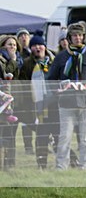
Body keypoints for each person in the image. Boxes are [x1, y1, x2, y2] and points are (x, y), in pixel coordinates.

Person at [46, 23, 86, 170]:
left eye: (80, 35)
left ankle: (85, 165)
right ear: (69, 38)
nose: (77, 38)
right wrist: (58, 92)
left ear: (83, 37)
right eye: (74, 35)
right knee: (65, 137)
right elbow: (50, 79)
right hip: (66, 103)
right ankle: (61, 166)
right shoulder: (61, 57)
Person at [18, 32, 57, 169]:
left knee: (58, 134)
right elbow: (22, 84)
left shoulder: (54, 60)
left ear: (45, 46)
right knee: (41, 135)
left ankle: (65, 162)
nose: (37, 48)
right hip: (38, 107)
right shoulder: (27, 64)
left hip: (55, 104)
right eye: (34, 46)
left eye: (40, 45)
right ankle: (42, 165)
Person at [0, 35, 20, 169]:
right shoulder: (3, 60)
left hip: (14, 102)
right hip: (3, 104)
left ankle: (10, 164)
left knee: (11, 134)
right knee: (5, 133)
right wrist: (13, 60)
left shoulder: (18, 59)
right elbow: (6, 75)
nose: (12, 47)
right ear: (3, 46)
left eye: (14, 45)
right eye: (9, 44)